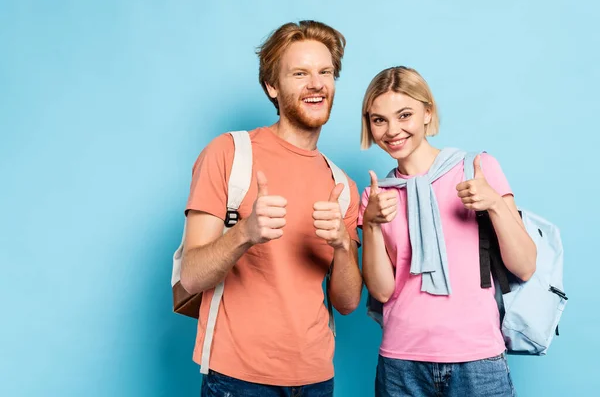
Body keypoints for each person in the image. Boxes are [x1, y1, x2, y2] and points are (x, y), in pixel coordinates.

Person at [180, 20, 362, 397]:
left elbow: (346, 303)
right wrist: (245, 233)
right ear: (272, 87)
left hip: (316, 378)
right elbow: (191, 278)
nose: (316, 84)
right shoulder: (229, 154)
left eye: (325, 72)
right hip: (237, 378)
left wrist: (344, 245)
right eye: (300, 73)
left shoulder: (341, 184)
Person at [358, 66, 537, 397]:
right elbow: (382, 292)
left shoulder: (476, 169)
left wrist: (494, 204)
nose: (392, 130)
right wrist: (370, 224)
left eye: (404, 115)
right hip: (401, 362)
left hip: (477, 360)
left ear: (428, 113)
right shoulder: (376, 195)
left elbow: (524, 265)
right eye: (379, 119)